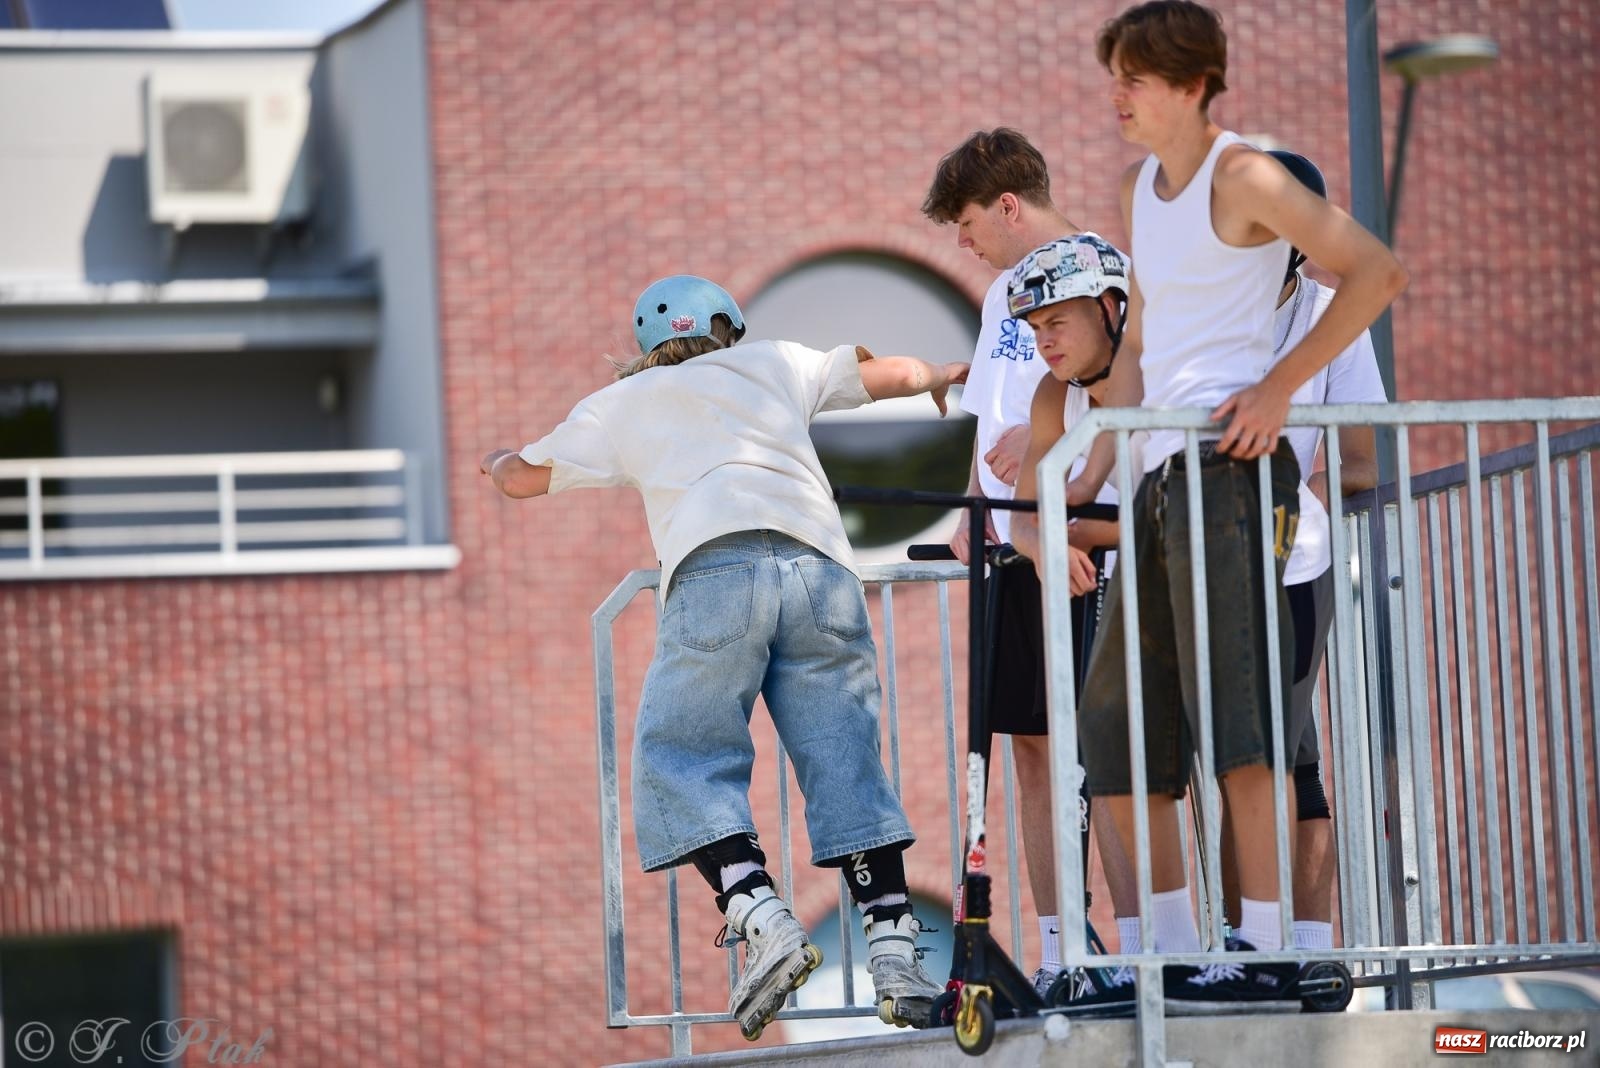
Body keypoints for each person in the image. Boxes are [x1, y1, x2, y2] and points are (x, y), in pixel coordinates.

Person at [479, 276, 965, 1038]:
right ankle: (898, 957)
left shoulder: (622, 403)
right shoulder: (774, 362)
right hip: (822, 573)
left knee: (682, 752)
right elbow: (891, 376)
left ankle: (761, 915)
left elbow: (520, 481)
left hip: (715, 571)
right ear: (730, 330)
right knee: (845, 757)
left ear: (647, 347)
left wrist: (496, 455)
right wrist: (941, 377)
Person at [1082, 0, 1407, 1013]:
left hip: (1230, 476)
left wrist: (1278, 388)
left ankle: (1264, 949)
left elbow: (1373, 271)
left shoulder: (1244, 174)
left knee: (1242, 726)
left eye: (1133, 77)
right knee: (1121, 727)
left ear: (1189, 83)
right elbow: (1141, 354)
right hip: (1159, 479)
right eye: (1114, 77)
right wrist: (1083, 446)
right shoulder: (1139, 188)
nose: (1117, 96)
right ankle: (1177, 955)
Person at [921, 129, 1124, 994]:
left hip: (1079, 533)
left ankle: (1143, 939)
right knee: (1034, 751)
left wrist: (1046, 444)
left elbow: (1116, 389)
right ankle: (1057, 946)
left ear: (1009, 205)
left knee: (1105, 754)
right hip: (1011, 543)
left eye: (968, 224)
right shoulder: (1002, 289)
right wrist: (978, 502)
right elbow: (989, 410)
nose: (963, 245)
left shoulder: (1103, 269)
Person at [1217, 150, 1386, 953]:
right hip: (1212, 557)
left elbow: (1364, 459)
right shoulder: (1209, 313)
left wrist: (1293, 488)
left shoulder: (1331, 312)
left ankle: (1271, 950)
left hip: (1295, 562)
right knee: (1271, 757)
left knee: (1269, 758)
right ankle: (1284, 949)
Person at [1002, 233, 1151, 1015]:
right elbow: (1026, 518)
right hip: (1097, 593)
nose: (1045, 341)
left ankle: (1152, 950)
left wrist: (1076, 533)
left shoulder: (1153, 372)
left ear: (1110, 308)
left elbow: (1164, 506)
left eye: (1057, 321)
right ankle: (1068, 955)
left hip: (1163, 586)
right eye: (1032, 329)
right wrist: (1047, 542)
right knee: (1068, 763)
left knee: (1132, 769)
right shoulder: (1051, 396)